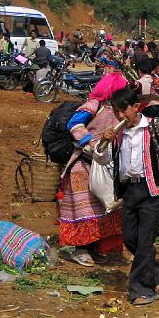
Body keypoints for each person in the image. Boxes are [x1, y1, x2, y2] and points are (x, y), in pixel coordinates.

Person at [94, 87, 159, 306]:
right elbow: (102, 159)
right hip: (129, 191)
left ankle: (140, 289)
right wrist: (103, 143)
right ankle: (156, 270)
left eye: (123, 110)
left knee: (144, 242)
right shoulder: (117, 133)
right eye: (116, 112)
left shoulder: (154, 127)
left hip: (151, 190)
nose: (120, 116)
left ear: (135, 107)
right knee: (130, 238)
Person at [59, 72, 128, 266]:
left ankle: (96, 247)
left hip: (105, 166)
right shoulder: (93, 105)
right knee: (84, 209)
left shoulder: (118, 109)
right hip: (83, 164)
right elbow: (73, 124)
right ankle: (80, 249)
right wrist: (91, 144)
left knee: (104, 207)